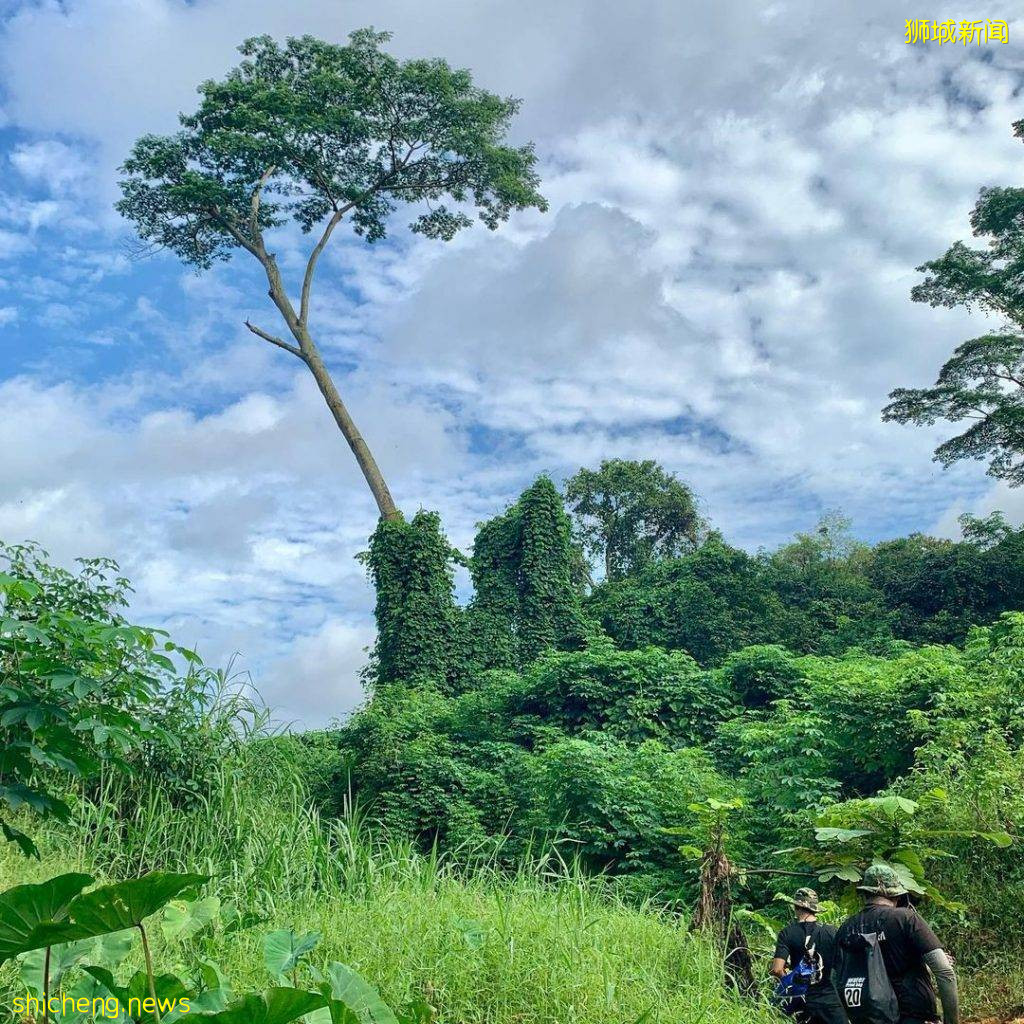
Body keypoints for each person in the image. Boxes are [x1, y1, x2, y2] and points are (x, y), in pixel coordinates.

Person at [835, 865, 959, 1024]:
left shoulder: (846, 928)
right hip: (913, 1014)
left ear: (865, 893)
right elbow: (944, 971)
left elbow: (836, 979)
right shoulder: (906, 918)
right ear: (895, 895)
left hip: (869, 1017)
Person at [772, 887, 849, 1024]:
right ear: (815, 908)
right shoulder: (831, 931)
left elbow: (777, 969)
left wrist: (790, 983)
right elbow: (842, 965)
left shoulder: (787, 933)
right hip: (829, 1000)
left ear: (796, 906)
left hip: (802, 1001)